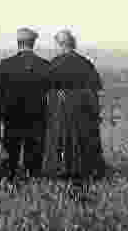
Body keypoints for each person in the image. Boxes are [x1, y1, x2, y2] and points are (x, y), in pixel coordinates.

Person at [41, 30, 105, 179]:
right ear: (73, 43)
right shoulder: (86, 63)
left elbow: (46, 91)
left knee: (61, 144)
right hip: (84, 114)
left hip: (61, 115)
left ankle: (61, 170)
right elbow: (95, 91)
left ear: (59, 45)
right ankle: (87, 170)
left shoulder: (54, 64)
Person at [0, 27, 51, 177]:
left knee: (11, 148)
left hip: (12, 115)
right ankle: (33, 175)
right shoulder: (45, 65)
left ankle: (10, 175)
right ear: (33, 43)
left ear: (18, 43)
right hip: (37, 115)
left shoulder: (5, 65)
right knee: (34, 150)